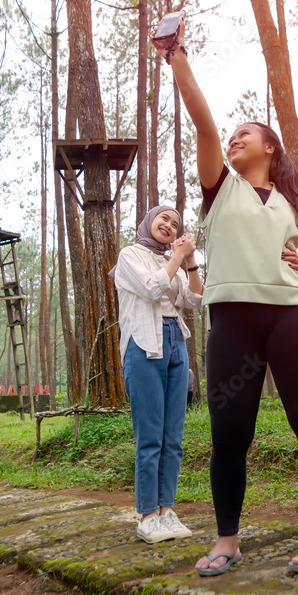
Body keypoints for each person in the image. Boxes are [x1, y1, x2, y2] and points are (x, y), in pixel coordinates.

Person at [154, 20, 298, 577]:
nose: (235, 138)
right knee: (229, 433)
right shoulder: (222, 186)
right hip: (233, 322)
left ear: (270, 147)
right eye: (233, 135)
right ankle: (227, 540)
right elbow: (205, 126)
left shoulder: (292, 199)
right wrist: (178, 60)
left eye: (247, 134)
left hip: (294, 317)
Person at [113, 205, 204, 543]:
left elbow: (195, 299)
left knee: (173, 438)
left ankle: (167, 510)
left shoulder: (176, 261)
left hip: (176, 344)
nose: (169, 224)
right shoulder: (130, 255)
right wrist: (177, 256)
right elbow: (152, 289)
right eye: (163, 218)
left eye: (176, 223)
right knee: (150, 436)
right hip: (144, 344)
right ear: (149, 221)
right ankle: (147, 515)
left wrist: (190, 261)